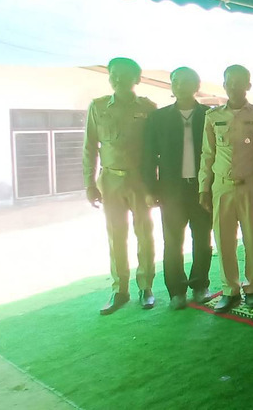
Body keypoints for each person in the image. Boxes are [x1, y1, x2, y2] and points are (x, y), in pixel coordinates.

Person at [83, 57, 158, 315]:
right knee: (116, 236)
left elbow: (155, 149)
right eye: (113, 74)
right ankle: (119, 290)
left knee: (144, 234)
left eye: (124, 75)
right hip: (110, 180)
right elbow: (89, 147)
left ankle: (146, 287)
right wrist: (89, 183)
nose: (117, 79)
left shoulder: (148, 108)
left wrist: (154, 185)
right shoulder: (98, 107)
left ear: (136, 79)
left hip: (139, 180)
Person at [142, 67, 213, 311]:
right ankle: (176, 291)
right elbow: (149, 156)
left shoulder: (209, 115)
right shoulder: (158, 118)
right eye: (176, 81)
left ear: (197, 85)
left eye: (186, 81)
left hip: (202, 189)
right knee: (172, 242)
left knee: (202, 240)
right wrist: (150, 189)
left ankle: (200, 285)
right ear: (172, 85)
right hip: (171, 190)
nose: (181, 86)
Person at [198, 65, 253, 314]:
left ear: (248, 85)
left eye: (240, 81)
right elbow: (207, 154)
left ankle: (252, 288)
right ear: (224, 85)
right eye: (230, 82)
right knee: (224, 239)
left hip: (250, 186)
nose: (235, 86)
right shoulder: (212, 116)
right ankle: (230, 290)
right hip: (222, 186)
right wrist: (203, 188)